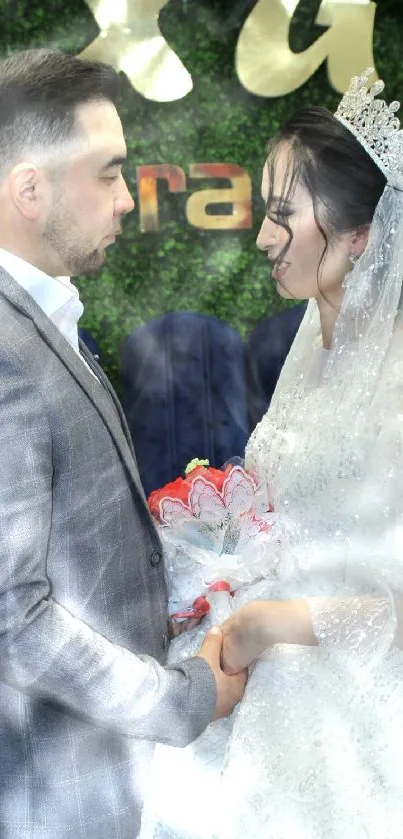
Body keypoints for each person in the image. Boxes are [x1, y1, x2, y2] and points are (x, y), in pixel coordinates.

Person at [139, 69, 403, 838]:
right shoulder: (311, 345)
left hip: (352, 716)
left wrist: (266, 622)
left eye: (282, 214)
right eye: (264, 212)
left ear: (361, 234)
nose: (261, 237)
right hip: (256, 673)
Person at [0, 49, 247, 839]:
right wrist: (182, 699)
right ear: (29, 187)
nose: (126, 199)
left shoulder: (39, 316)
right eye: (108, 173)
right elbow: (14, 620)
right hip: (55, 797)